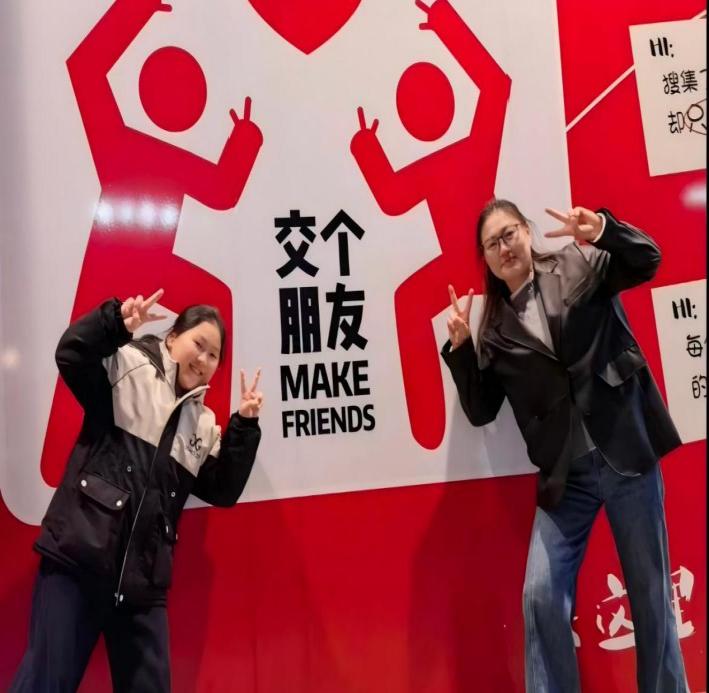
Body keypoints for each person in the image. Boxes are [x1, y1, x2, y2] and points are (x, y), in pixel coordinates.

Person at [441, 200, 687, 692]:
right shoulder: (494, 331)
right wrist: (462, 348)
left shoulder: (578, 262)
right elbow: (481, 409)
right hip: (566, 478)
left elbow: (648, 260)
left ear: (527, 232)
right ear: (485, 259)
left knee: (650, 591)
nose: (504, 247)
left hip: (624, 450)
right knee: (540, 594)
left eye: (509, 233)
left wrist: (605, 231)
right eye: (492, 244)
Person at [12, 289, 263, 692]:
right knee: (46, 682)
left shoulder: (202, 424)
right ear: (173, 337)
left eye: (213, 355)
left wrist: (244, 428)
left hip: (142, 584)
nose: (203, 359)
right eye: (198, 344)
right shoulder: (128, 365)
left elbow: (223, 489)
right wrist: (114, 322)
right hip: (78, 559)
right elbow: (71, 354)